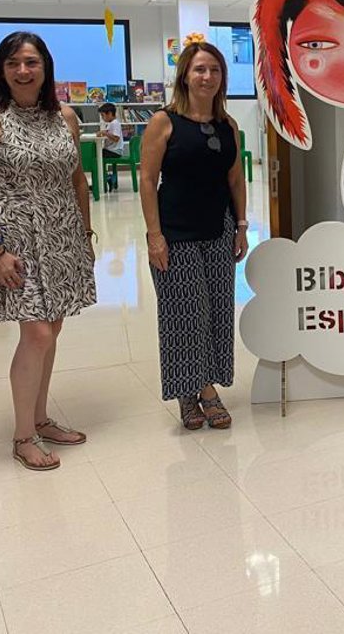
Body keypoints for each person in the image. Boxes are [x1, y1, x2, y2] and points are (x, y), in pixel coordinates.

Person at [0, 32, 96, 471]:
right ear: (2, 69)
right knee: (36, 334)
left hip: (62, 237)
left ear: (45, 67)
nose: (23, 71)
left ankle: (40, 418)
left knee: (51, 330)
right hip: (12, 242)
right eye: (13, 63)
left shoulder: (65, 117)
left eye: (32, 62)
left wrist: (85, 234)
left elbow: (77, 180)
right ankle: (23, 436)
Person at [140, 42, 248, 430]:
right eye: (200, 69)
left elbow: (235, 179)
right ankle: (200, 392)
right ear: (185, 75)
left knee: (216, 312)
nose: (207, 77)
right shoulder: (164, 121)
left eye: (215, 70)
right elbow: (147, 179)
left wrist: (241, 226)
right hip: (175, 234)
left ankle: (199, 386)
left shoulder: (228, 125)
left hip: (218, 230)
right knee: (184, 314)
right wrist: (155, 236)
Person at [97, 103, 124, 192]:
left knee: (96, 155)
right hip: (113, 150)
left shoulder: (115, 123)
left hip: (115, 151)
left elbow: (116, 138)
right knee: (98, 153)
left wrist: (105, 133)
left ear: (109, 113)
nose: (102, 118)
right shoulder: (111, 123)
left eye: (103, 115)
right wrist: (104, 132)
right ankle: (105, 178)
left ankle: (104, 178)